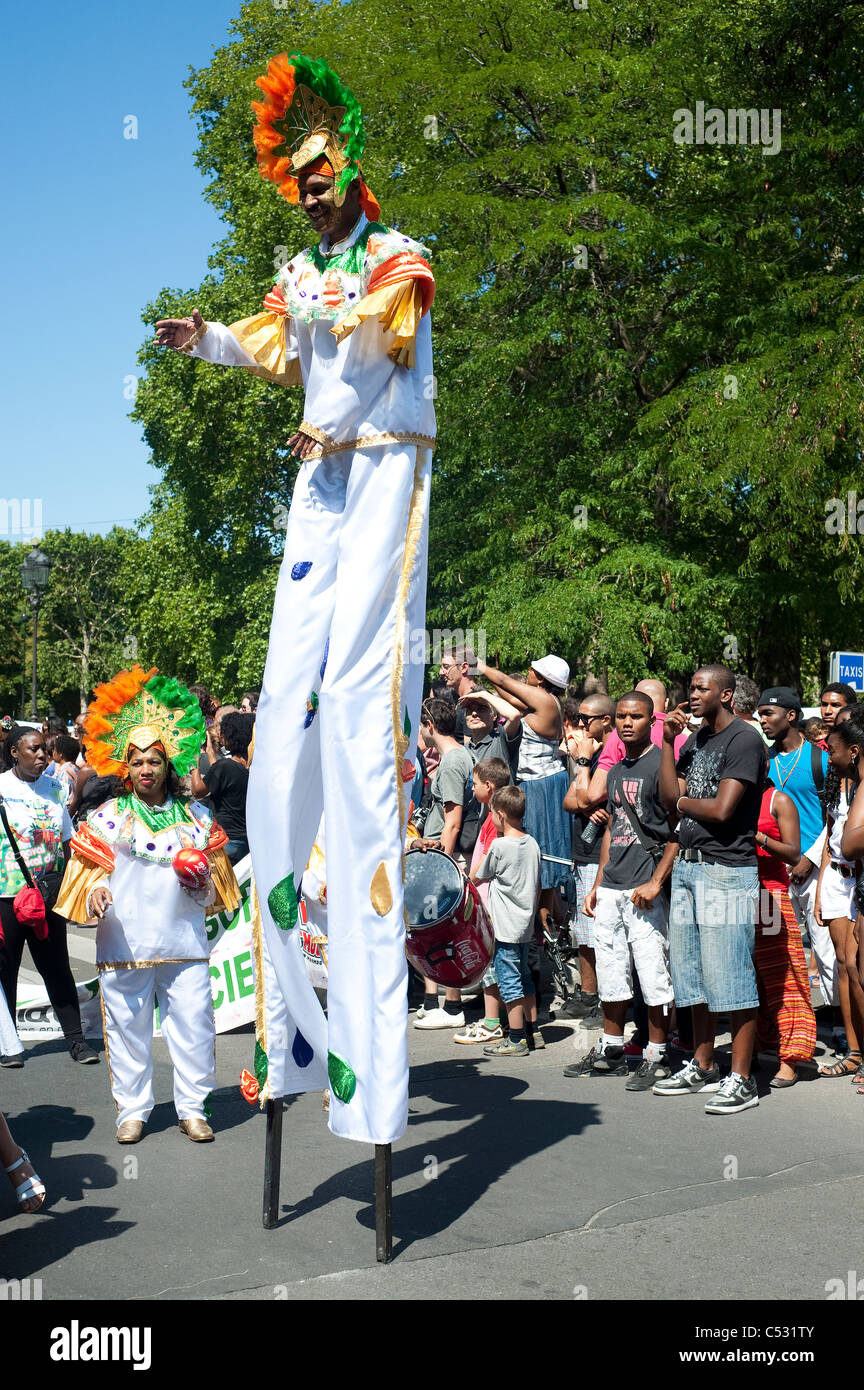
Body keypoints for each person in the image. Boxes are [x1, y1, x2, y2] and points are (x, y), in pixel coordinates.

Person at [156, 52, 435, 1146]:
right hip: (318, 476)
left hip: (378, 467)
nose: (314, 191)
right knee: (291, 696)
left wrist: (338, 410)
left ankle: (372, 1040)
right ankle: (295, 1032)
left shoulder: (398, 254)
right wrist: (209, 340)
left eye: (325, 174)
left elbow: (383, 342)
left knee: (362, 680)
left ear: (352, 168)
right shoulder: (301, 268)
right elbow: (277, 347)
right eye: (300, 180)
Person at [54, 666, 241, 1143]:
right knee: (127, 1029)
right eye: (136, 762)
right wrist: (96, 891)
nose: (145, 770)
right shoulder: (108, 816)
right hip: (125, 942)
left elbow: (217, 889)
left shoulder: (196, 818)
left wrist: (199, 884)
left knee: (194, 1026)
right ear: (124, 767)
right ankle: (132, 1111)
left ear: (168, 765)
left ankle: (193, 1107)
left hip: (184, 944)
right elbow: (88, 872)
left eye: (154, 761)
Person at [657, 664, 766, 1113]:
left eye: (702, 688)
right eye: (691, 687)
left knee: (731, 979)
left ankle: (742, 1079)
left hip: (725, 873)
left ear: (726, 695)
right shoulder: (696, 740)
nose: (693, 694)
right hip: (687, 867)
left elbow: (721, 810)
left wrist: (682, 803)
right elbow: (667, 795)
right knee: (691, 976)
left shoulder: (744, 739)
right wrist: (666, 742)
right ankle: (703, 1064)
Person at [569, 692, 679, 1089]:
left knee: (653, 974)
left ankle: (657, 1054)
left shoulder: (660, 766)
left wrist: (656, 882)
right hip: (612, 885)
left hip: (644, 887)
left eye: (636, 716)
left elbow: (677, 832)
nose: (627, 722)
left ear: (652, 720)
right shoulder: (613, 771)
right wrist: (598, 882)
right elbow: (613, 829)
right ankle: (612, 1047)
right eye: (621, 717)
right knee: (612, 971)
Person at [0, 725, 97, 1068]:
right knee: (5, 968)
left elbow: (68, 840)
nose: (42, 755)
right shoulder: (1, 789)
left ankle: (76, 1041)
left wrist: (75, 887)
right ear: (14, 752)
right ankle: (8, 1046)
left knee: (56, 968)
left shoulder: (57, 787)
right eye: (34, 749)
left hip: (49, 895)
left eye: (44, 749)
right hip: (7, 895)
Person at [756, 687, 837, 1035]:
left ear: (790, 716)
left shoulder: (819, 759)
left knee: (825, 950)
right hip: (774, 873)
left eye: (768, 714)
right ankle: (780, 1024)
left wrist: (809, 858)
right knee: (776, 952)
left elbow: (834, 815)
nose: (762, 721)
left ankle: (837, 1024)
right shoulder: (761, 762)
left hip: (816, 870)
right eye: (759, 714)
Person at [478, 653, 572, 920]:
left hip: (542, 786)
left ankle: (543, 928)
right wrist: (483, 689)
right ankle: (545, 928)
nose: (527, 673)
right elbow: (509, 696)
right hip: (542, 782)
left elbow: (506, 680)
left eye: (531, 670)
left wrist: (479, 665)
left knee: (542, 859)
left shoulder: (544, 700)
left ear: (540, 678)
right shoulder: (544, 701)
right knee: (541, 859)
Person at [413, 698, 476, 1030]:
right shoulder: (458, 756)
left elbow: (452, 819)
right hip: (442, 848)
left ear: (430, 726)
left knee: (446, 929)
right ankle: (435, 1001)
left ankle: (452, 1008)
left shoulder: (452, 762)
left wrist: (443, 865)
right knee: (435, 930)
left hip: (445, 851)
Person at [751, 773, 816, 1086]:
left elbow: (793, 853)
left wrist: (759, 838)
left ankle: (790, 1058)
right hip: (734, 893)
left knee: (784, 979)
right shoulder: (731, 797)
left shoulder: (779, 799)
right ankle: (752, 1047)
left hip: (771, 893)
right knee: (746, 979)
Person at [471, 785, 541, 1058]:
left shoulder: (499, 846)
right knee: (525, 977)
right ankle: (534, 1030)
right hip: (525, 924)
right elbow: (537, 882)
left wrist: (468, 878)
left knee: (508, 980)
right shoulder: (532, 844)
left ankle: (516, 1039)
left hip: (505, 927)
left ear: (500, 815)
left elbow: (480, 875)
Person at [560, 692, 615, 1025]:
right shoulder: (592, 756)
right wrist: (587, 803)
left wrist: (582, 764)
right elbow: (571, 800)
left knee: (601, 933)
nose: (580, 726)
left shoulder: (608, 757)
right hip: (582, 853)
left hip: (602, 856)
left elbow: (587, 793)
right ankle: (589, 994)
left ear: (604, 720)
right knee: (584, 932)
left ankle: (606, 1001)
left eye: (585, 719)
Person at [813, 715, 864, 1082]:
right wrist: (818, 891)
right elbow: (831, 837)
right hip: (833, 879)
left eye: (833, 750)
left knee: (856, 968)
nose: (829, 757)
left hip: (858, 881)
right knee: (844, 968)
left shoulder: (863, 784)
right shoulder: (837, 783)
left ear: (854, 750)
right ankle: (854, 1050)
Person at [453, 757, 512, 1045]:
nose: (471, 789)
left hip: (488, 901)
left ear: (488, 786)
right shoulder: (493, 816)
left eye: (474, 784)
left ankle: (491, 1023)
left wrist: (468, 881)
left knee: (490, 965)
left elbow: (486, 862)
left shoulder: (493, 820)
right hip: (487, 899)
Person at [190, 712, 254, 865]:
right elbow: (220, 776)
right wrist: (212, 754)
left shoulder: (225, 766)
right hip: (245, 842)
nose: (220, 736)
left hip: (226, 841)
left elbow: (197, 791)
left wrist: (193, 763)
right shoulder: (249, 767)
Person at [51, 734, 80, 806]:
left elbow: (62, 797)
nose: (53, 752)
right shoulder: (75, 768)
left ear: (61, 754)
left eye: (54, 749)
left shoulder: (64, 771)